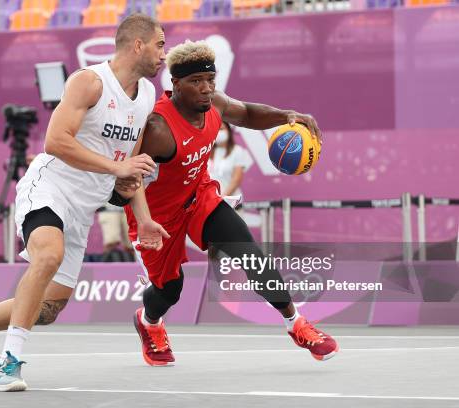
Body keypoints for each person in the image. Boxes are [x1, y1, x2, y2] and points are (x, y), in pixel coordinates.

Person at [0, 13, 168, 392]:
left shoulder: (147, 97)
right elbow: (56, 142)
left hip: (82, 208)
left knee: (48, 308)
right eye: (159, 44)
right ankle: (9, 364)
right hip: (48, 188)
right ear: (137, 45)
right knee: (47, 256)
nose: (163, 54)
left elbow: (130, 168)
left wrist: (144, 217)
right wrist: (113, 167)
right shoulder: (89, 82)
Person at [119, 40, 338, 366]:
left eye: (210, 80)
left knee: (249, 253)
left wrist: (287, 116)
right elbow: (128, 179)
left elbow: (247, 113)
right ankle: (149, 322)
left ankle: (296, 323)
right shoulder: (158, 129)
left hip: (200, 197)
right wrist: (140, 218)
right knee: (168, 291)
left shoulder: (215, 104)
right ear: (176, 85)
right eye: (196, 82)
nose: (206, 89)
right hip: (157, 216)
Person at [208, 121, 253, 200]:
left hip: (230, 202)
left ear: (228, 131)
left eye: (221, 129)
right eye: (216, 130)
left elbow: (236, 180)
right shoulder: (207, 152)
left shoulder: (237, 151)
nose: (219, 133)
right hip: (212, 204)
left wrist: (221, 199)